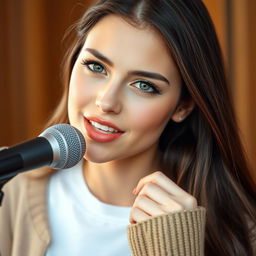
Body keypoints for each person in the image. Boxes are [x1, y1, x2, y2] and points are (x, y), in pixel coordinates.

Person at [0, 0, 256, 255]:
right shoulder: (13, 193)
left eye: (144, 85)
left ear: (183, 106)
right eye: (96, 67)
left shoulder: (241, 232)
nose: (107, 101)